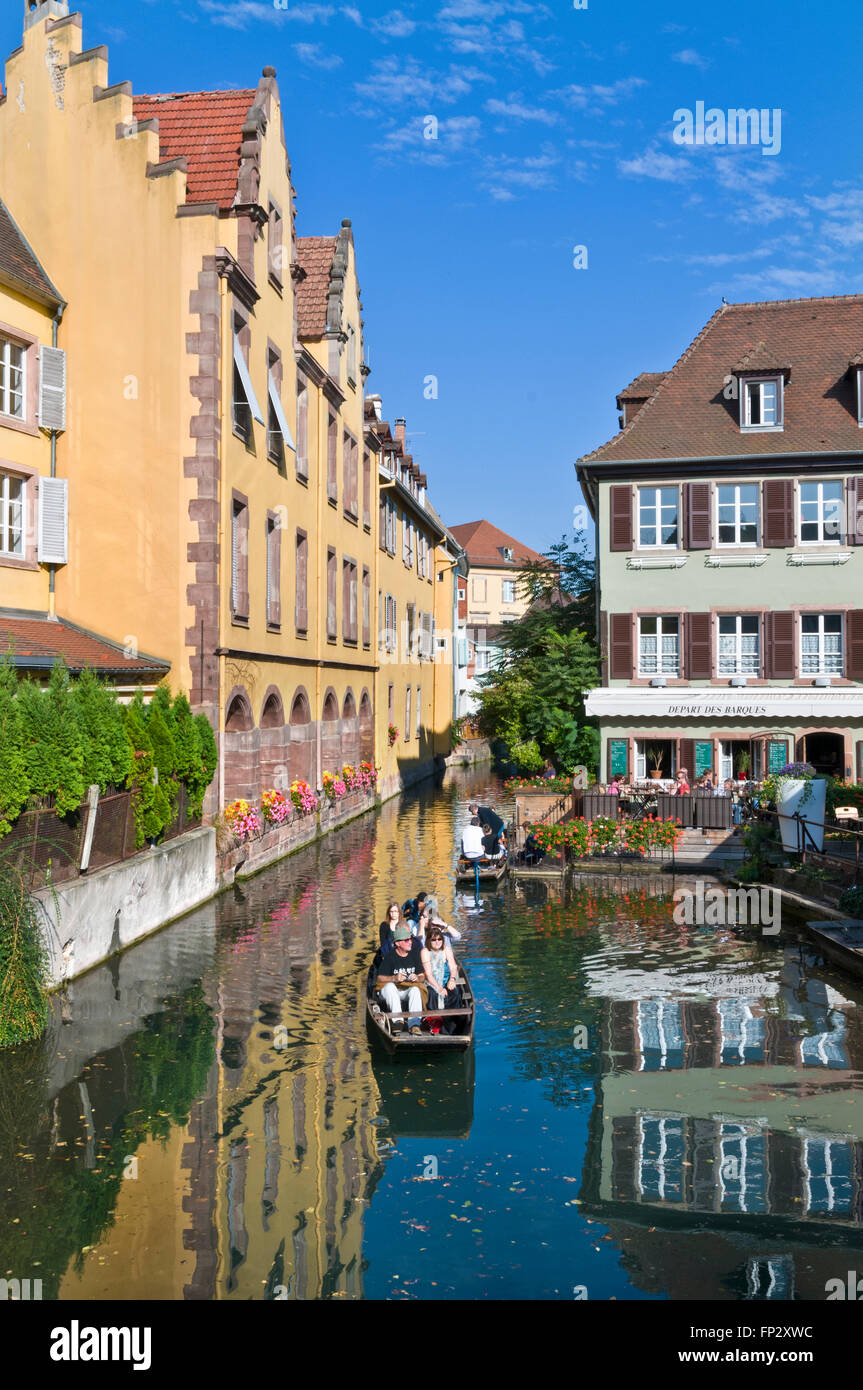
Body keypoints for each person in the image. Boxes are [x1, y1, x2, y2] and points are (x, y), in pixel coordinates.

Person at [375, 924, 426, 1034]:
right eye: (406, 940)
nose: (410, 942)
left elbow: (422, 976)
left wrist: (417, 977)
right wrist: (394, 978)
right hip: (390, 992)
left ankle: (414, 1024)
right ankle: (397, 1021)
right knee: (389, 987)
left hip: (406, 990)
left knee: (416, 990)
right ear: (398, 943)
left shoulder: (414, 955)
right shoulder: (390, 957)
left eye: (410, 939)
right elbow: (379, 978)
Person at [421, 924, 462, 1035]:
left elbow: (453, 967)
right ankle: (435, 1024)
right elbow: (428, 975)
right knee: (432, 994)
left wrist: (452, 979)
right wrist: (439, 988)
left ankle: (452, 1025)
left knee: (455, 993)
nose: (437, 942)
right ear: (429, 940)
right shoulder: (425, 952)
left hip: (446, 981)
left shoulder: (447, 950)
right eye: (434, 940)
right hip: (432, 983)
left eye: (439, 939)